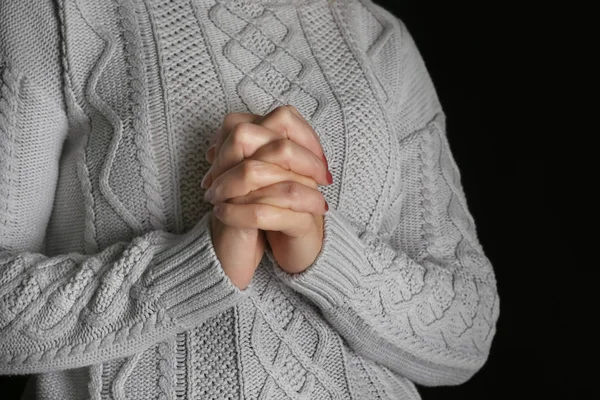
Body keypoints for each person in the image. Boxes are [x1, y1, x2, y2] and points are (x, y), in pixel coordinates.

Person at [0, 0, 500, 398]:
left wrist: (327, 252)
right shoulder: (57, 14)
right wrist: (191, 268)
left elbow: (467, 327)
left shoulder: (380, 38)